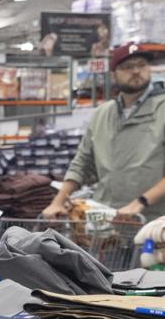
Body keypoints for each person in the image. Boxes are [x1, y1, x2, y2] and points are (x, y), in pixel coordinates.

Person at [44, 42, 165, 221]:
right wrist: (58, 201)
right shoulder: (102, 113)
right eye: (128, 67)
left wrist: (140, 202)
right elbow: (82, 162)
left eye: (142, 65)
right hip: (106, 219)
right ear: (113, 74)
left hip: (153, 222)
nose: (136, 71)